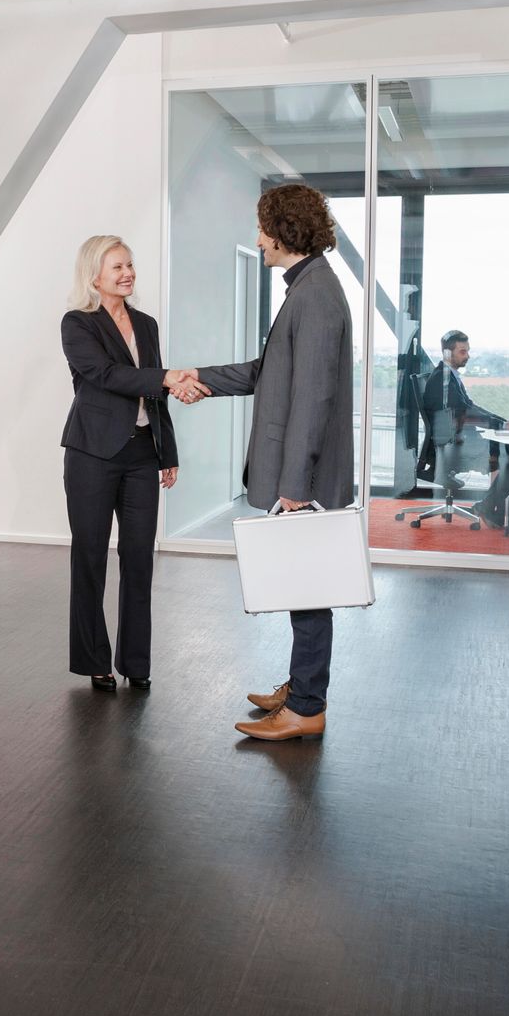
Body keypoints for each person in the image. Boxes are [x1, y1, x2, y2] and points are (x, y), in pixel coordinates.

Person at [179, 184, 352, 740]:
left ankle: (306, 708)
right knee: (303, 583)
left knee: (309, 586)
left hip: (307, 478)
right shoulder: (307, 288)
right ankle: (301, 688)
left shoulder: (316, 295)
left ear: (283, 231)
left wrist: (295, 483)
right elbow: (267, 371)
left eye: (261, 228)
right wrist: (199, 377)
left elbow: (314, 397)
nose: (257, 240)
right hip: (302, 473)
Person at [60, 235, 204, 692]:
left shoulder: (146, 324)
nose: (127, 273)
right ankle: (93, 660)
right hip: (92, 455)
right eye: (117, 267)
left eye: (130, 265)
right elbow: (104, 376)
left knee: (139, 559)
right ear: (94, 275)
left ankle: (136, 662)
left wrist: (169, 450)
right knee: (89, 558)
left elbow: (155, 394)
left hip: (143, 453)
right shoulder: (78, 324)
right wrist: (166, 377)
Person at [416, 329, 509, 527]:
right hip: (451, 448)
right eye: (462, 351)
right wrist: (502, 425)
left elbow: (469, 407)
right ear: (447, 353)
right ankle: (490, 508)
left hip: (455, 440)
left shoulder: (449, 376)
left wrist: (504, 423)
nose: (467, 356)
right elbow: (465, 414)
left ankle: (489, 508)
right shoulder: (443, 381)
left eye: (467, 351)